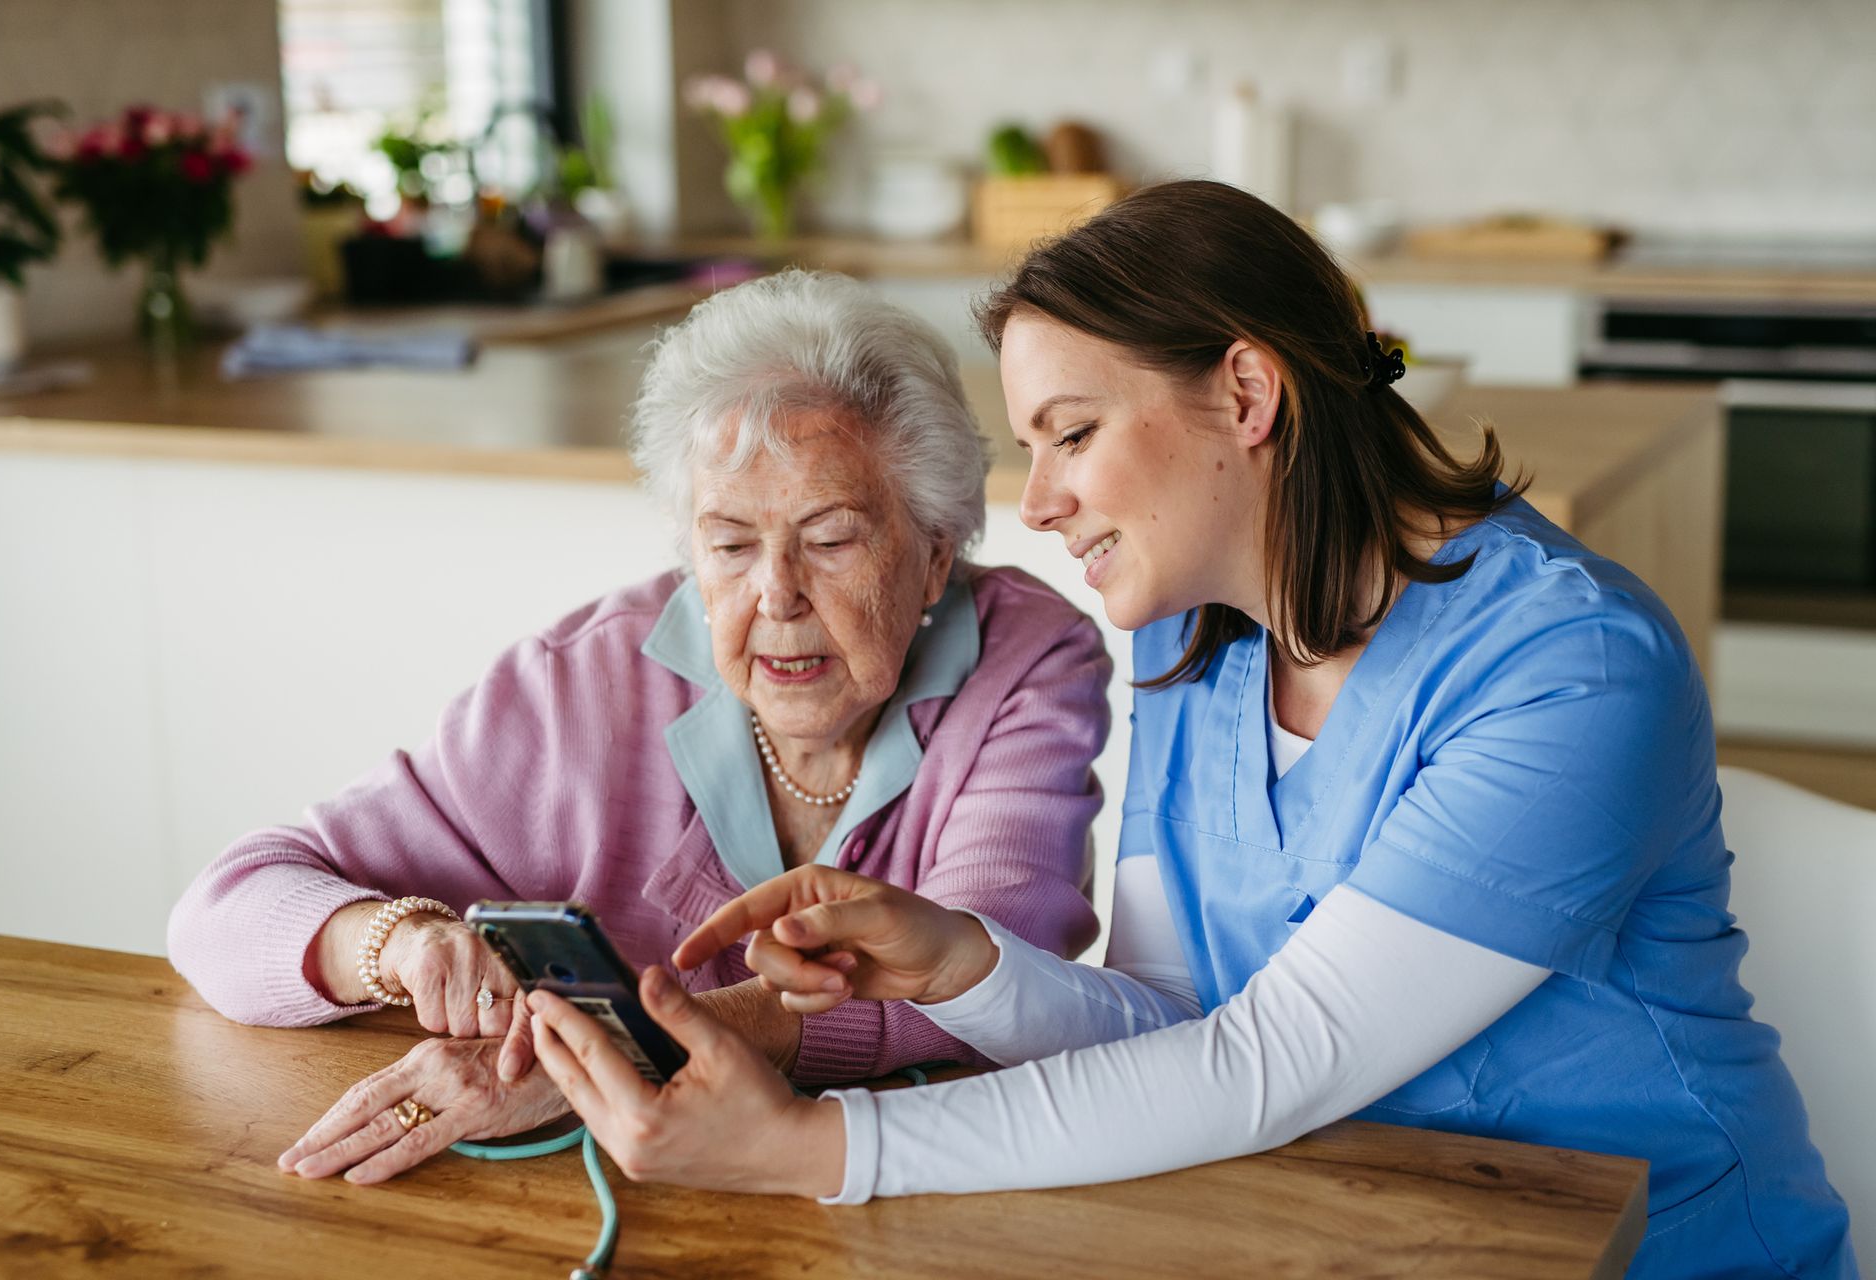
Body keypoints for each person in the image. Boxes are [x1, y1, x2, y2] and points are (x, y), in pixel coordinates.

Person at [518, 182, 1856, 1278]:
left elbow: (1271, 1062)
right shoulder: (1198, 641)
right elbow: (1168, 1024)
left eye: (1072, 433)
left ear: (1247, 395)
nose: (1038, 502)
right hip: (1346, 1237)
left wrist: (816, 1150)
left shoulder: (1571, 670)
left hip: (1648, 1255)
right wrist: (963, 966)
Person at [165, 269, 1111, 1186]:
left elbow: (990, 980)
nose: (775, 595)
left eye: (830, 540)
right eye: (729, 545)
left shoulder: (1027, 661)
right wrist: (402, 943)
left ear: (935, 553)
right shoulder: (580, 685)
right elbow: (228, 909)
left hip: (914, 1189)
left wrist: (614, 1051)